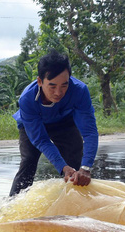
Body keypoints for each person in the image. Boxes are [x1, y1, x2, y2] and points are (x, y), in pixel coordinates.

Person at [9, 49, 99, 197]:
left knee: (76, 166)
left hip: (63, 122)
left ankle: (73, 204)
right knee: (29, 161)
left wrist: (86, 167)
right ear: (40, 81)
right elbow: (41, 139)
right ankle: (11, 205)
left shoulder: (80, 91)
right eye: (52, 86)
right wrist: (62, 166)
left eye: (64, 85)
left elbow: (89, 133)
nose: (58, 92)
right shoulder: (27, 99)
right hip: (33, 124)